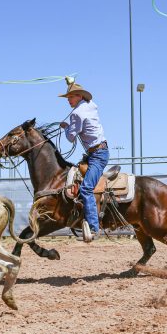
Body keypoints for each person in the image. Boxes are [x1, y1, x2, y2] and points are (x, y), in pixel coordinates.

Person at [59, 82, 108, 243]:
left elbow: (70, 137)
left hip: (97, 155)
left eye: (71, 96)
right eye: (67, 97)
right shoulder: (91, 105)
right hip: (98, 152)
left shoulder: (77, 114)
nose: (68, 100)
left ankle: (94, 227)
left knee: (86, 188)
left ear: (79, 96)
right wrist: (71, 85)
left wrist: (66, 127)